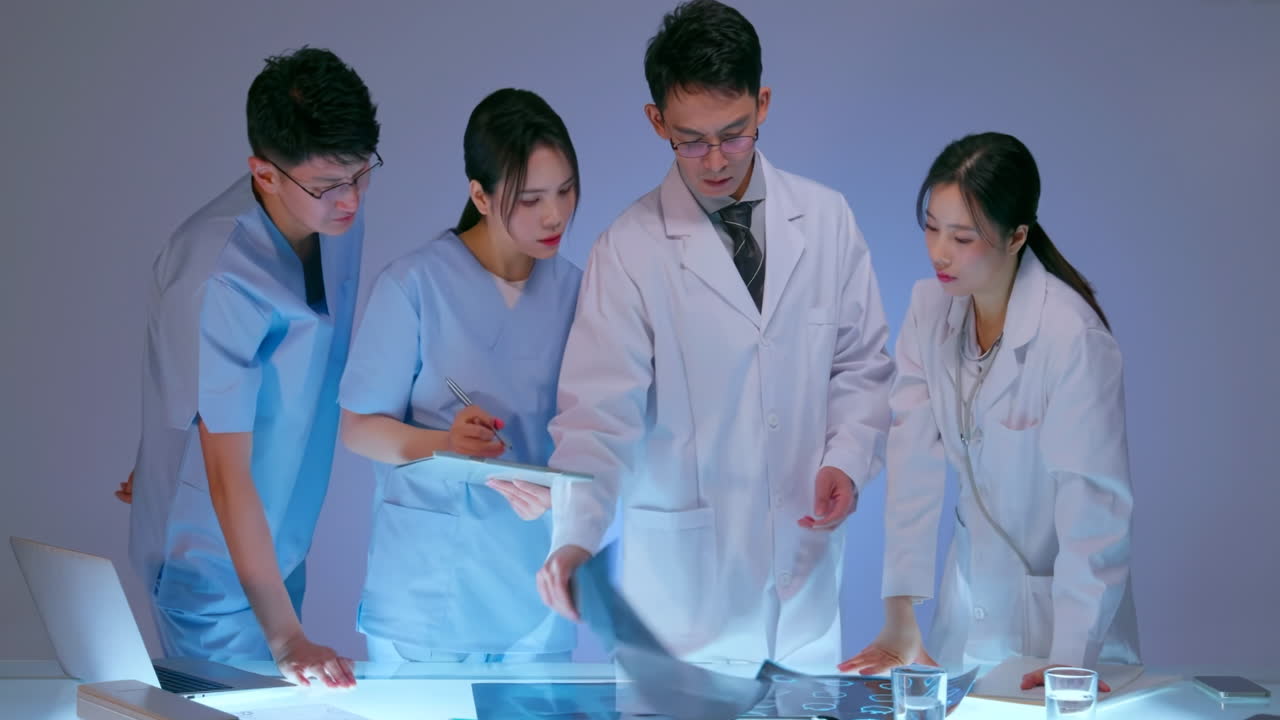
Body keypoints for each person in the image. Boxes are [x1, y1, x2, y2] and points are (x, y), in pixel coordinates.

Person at [537, 0, 894, 667]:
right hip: (680, 613)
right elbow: (596, 415)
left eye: (734, 133)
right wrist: (575, 535)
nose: (714, 160)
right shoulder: (628, 250)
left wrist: (845, 458)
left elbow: (862, 366)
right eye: (691, 139)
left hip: (802, 595)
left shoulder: (826, 220)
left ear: (762, 105)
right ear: (656, 121)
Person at [839, 132, 1140, 689]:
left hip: (1065, 628)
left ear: (1016, 236)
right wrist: (900, 617)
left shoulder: (1070, 337)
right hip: (968, 617)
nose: (938, 252)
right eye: (931, 227)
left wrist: (1074, 655)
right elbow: (914, 465)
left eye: (962, 236)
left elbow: (1094, 512)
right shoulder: (931, 310)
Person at [122, 46, 379, 688]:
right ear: (263, 174)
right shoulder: (217, 276)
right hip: (210, 561)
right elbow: (225, 472)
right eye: (326, 185)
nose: (349, 199)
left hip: (281, 529)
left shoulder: (332, 211)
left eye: (360, 174)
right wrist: (287, 633)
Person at [338, 88, 581, 663]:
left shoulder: (580, 293)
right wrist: (443, 443)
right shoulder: (414, 287)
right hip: (428, 602)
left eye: (566, 191)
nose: (555, 215)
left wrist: (564, 494)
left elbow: (607, 433)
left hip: (534, 596)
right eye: (530, 199)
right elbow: (357, 428)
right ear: (480, 194)